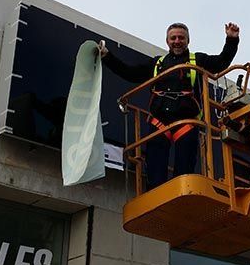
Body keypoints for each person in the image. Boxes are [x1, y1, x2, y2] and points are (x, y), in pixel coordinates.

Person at [97, 22, 240, 190]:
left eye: (181, 38)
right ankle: (155, 196)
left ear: (188, 40)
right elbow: (130, 73)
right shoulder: (157, 64)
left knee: (184, 169)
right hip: (159, 123)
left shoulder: (198, 60)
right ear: (167, 41)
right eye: (173, 38)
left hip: (187, 123)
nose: (177, 41)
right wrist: (107, 57)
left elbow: (220, 63)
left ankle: (183, 197)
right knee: (155, 171)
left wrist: (231, 39)